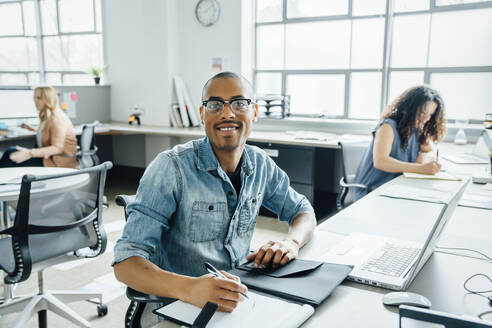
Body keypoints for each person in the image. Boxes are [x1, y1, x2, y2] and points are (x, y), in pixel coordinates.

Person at [113, 72, 316, 314]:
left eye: (240, 103)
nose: (227, 113)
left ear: (255, 112)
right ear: (202, 114)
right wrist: (190, 288)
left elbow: (303, 211)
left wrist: (291, 243)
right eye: (215, 104)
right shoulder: (171, 168)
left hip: (242, 295)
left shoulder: (260, 164)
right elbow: (125, 264)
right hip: (184, 305)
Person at [352, 85, 446, 201]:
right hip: (372, 191)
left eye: (430, 115)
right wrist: (420, 168)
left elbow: (426, 156)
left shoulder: (415, 130)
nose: (426, 119)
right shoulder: (388, 126)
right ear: (409, 108)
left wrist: (424, 152)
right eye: (422, 113)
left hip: (396, 189)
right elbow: (380, 162)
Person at [0, 86, 78, 169]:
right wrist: (30, 129)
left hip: (57, 162)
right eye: (34, 97)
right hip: (49, 158)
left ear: (48, 99)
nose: (35, 101)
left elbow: (57, 148)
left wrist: (29, 153)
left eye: (39, 98)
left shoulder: (57, 118)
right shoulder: (49, 115)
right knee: (11, 151)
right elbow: (49, 133)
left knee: (10, 155)